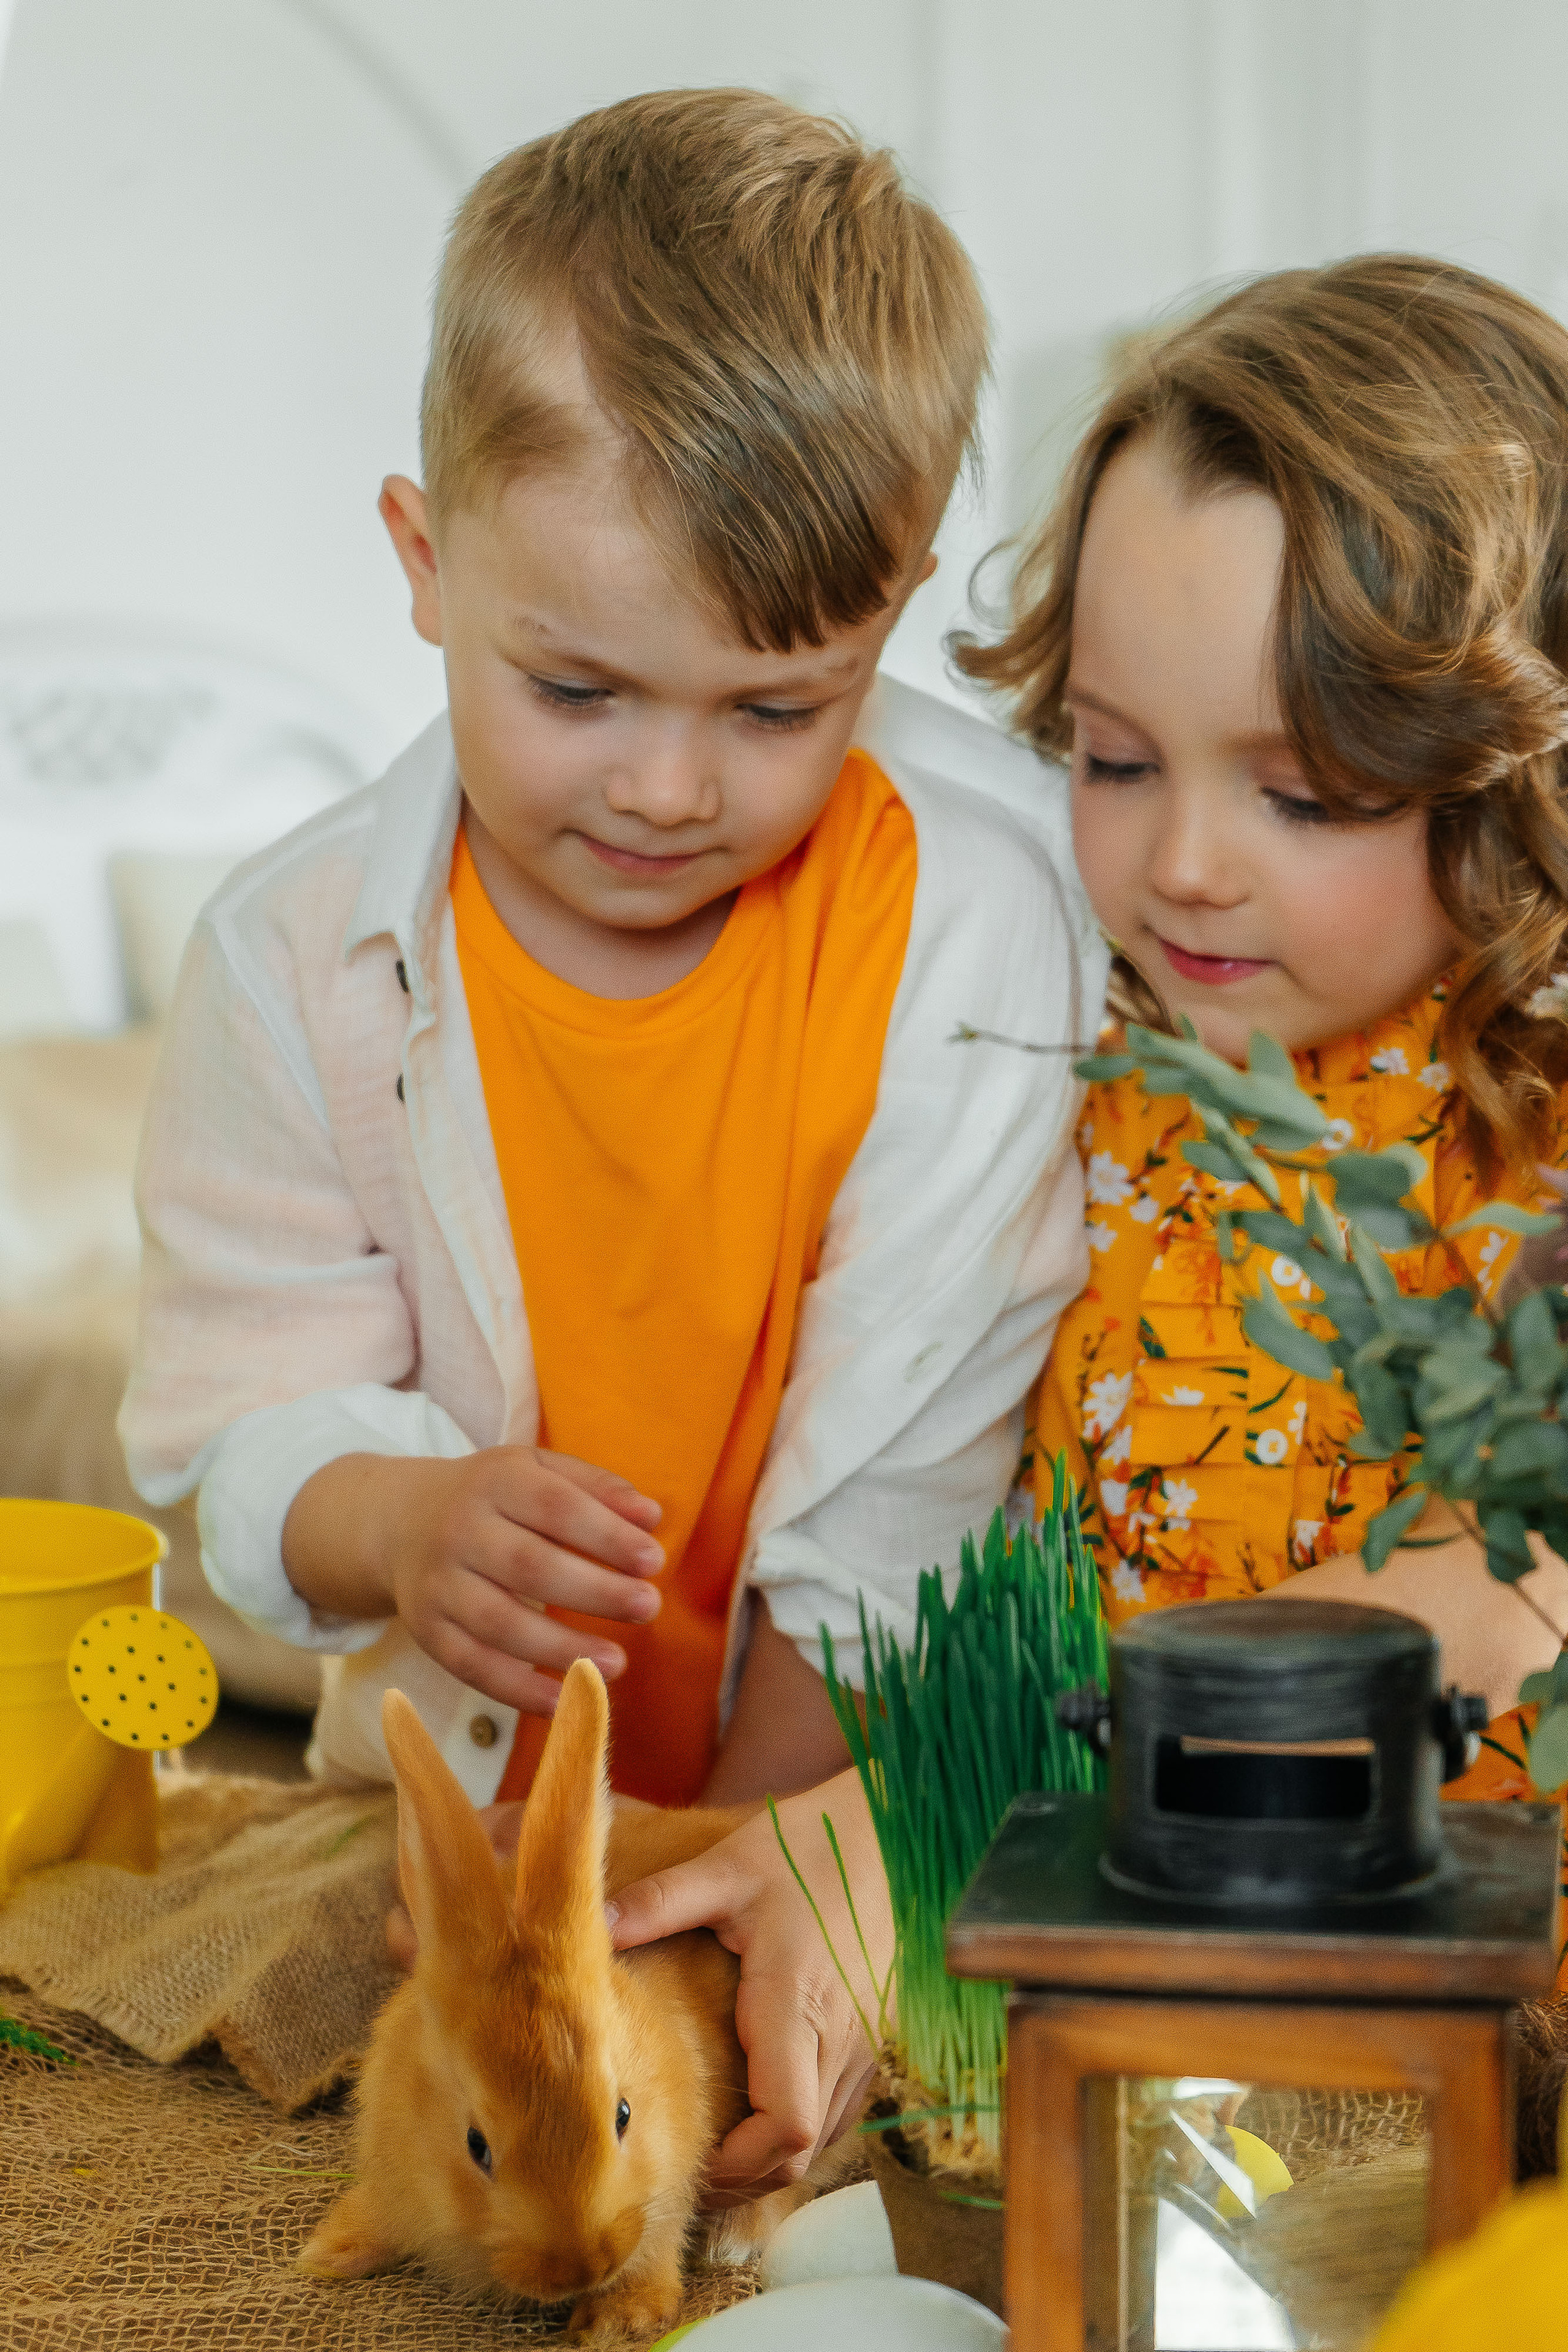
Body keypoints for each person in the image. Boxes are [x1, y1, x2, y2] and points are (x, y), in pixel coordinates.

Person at [119, 89, 1101, 2190]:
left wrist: (732, 1868)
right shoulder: (294, 956)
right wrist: (394, 1521)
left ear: (895, 603)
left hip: (852, 1768)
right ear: (421, 559)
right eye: (576, 690)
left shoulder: (987, 919)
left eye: (775, 709)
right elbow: (228, 1433)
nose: (669, 788)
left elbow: (923, 1481)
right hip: (479, 1826)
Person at [953, 252, 1568, 1804]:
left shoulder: (1538, 1139)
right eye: (1111, 761)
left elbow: (1499, 1593)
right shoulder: (1056, 1057)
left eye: (1296, 795)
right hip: (1113, 1929)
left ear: (1505, 783)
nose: (1180, 869)